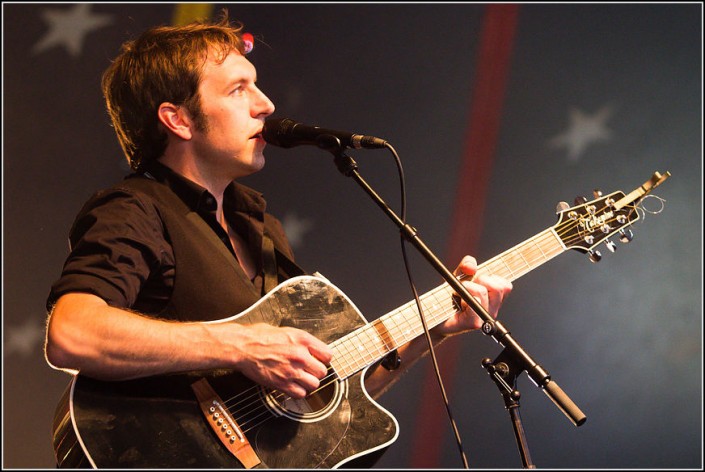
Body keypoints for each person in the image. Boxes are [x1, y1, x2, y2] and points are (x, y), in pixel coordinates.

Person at [44, 10, 512, 468]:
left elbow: (317, 384)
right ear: (178, 120)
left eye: (257, 84)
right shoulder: (136, 208)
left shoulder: (261, 228)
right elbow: (72, 334)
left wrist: (433, 328)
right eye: (238, 88)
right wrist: (243, 346)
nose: (265, 103)